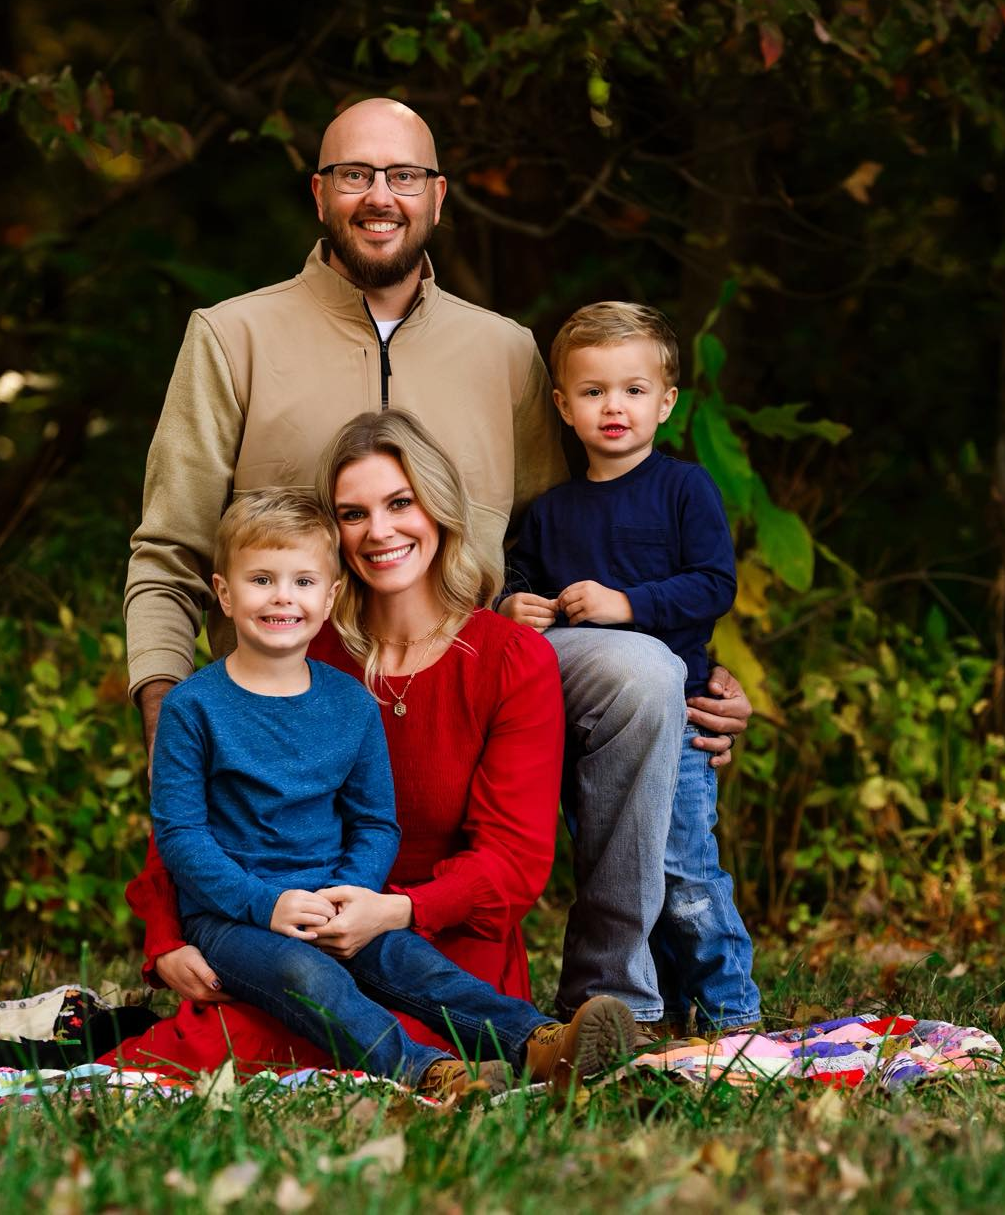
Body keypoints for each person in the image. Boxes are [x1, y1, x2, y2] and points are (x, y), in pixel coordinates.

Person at [122, 95, 754, 1030]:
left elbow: (572, 523)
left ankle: (611, 999)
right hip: (304, 677)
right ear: (319, 193)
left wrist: (688, 654)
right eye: (355, 174)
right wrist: (169, 708)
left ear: (439, 196)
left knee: (637, 674)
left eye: (403, 175)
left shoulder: (502, 351)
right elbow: (169, 550)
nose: (380, 196)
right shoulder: (234, 336)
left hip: (476, 662)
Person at [107, 412, 573, 1076]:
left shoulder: (509, 658)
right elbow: (183, 825)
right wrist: (164, 941)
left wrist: (391, 908)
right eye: (354, 514)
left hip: (438, 934)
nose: (380, 531)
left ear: (438, 507)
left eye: (401, 503)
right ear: (334, 537)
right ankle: (434, 1074)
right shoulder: (294, 651)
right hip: (274, 924)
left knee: (406, 998)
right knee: (264, 1021)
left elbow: (515, 859)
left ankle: (545, 1044)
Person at [500, 302, 761, 1033]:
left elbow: (714, 584)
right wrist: (515, 601)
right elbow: (521, 577)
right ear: (562, 404)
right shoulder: (552, 511)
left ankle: (733, 1014)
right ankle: (666, 1005)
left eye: (634, 390)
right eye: (592, 392)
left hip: (675, 719)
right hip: (593, 728)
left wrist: (627, 603)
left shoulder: (684, 489)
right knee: (619, 866)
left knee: (681, 868)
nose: (614, 407)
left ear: (667, 401)